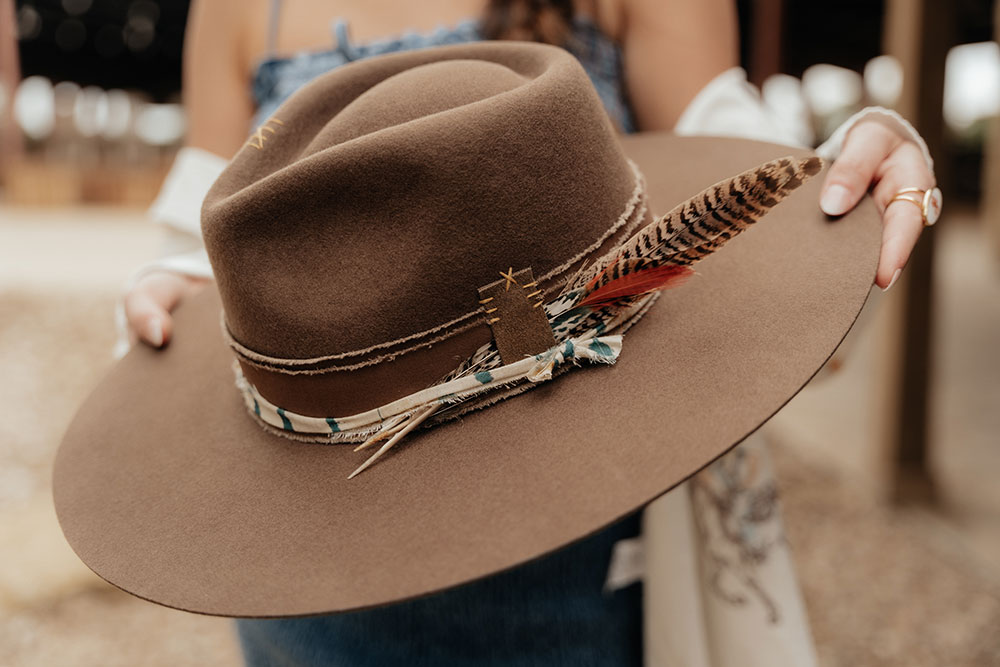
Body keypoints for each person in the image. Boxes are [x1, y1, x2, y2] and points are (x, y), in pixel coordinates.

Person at [119, 2, 937, 665]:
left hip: (580, 572)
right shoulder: (238, 10)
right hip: (305, 567)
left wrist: (850, 180)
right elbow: (205, 220)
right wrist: (177, 282)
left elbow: (753, 179)